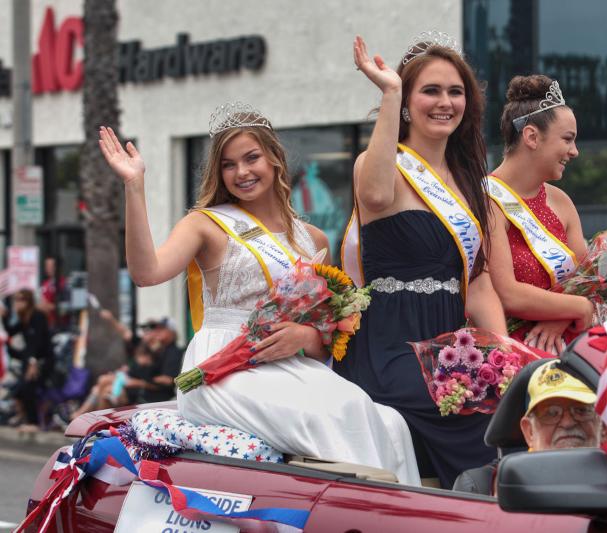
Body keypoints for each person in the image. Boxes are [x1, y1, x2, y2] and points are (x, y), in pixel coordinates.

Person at [98, 103, 419, 485]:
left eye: (252, 158)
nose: (242, 172)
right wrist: (134, 187)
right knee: (332, 414)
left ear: (274, 160)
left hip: (290, 365)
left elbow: (328, 335)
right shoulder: (206, 224)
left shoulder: (311, 239)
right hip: (221, 368)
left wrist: (307, 336)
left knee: (390, 422)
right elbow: (146, 273)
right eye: (229, 165)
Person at [336, 33, 507, 488]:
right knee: (477, 415)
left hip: (450, 344)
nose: (444, 102)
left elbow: (481, 282)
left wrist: (506, 352)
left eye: (455, 91)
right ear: (408, 100)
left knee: (512, 398)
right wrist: (389, 92)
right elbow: (373, 196)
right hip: (388, 347)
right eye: (430, 90)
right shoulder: (377, 165)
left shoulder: (471, 181)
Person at [486, 75, 593, 355]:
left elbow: (590, 282)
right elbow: (507, 293)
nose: (574, 151)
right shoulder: (484, 200)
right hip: (511, 356)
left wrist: (561, 318)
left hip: (572, 350)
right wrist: (576, 308)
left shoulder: (561, 202)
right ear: (532, 136)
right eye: (567, 139)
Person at [453, 360, 604, 494]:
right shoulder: (489, 488)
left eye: (582, 411)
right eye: (551, 413)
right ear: (529, 431)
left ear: (602, 424)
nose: (567, 422)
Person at [2, 289, 55, 430]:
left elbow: (36, 342)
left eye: (22, 299)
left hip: (42, 361)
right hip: (30, 360)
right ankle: (24, 416)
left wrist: (32, 362)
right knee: (18, 389)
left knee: (28, 387)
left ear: (29, 301)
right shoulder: (25, 318)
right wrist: (4, 316)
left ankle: (34, 422)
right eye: (17, 300)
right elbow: (11, 330)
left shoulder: (37, 316)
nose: (18, 303)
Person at [38, 257, 67, 331]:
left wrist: (48, 306)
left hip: (59, 325)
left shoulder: (63, 283)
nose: (47, 268)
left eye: (50, 266)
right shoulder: (45, 284)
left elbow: (65, 307)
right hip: (46, 324)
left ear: (57, 267)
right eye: (46, 266)